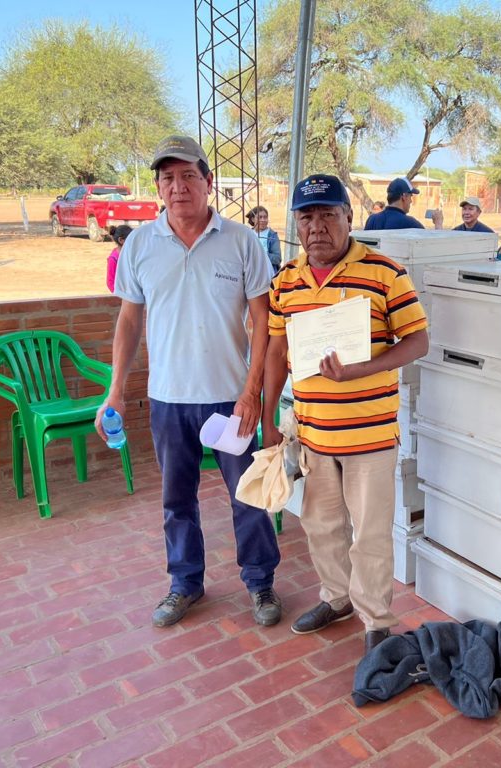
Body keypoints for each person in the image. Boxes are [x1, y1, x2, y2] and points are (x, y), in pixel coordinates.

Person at [96, 135, 282, 629]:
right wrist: (115, 389)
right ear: (158, 186)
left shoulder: (242, 240)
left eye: (188, 177)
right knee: (177, 500)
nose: (178, 187)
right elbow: (129, 323)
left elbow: (262, 323)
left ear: (208, 182)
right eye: (168, 178)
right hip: (168, 400)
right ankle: (185, 583)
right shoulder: (140, 244)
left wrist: (251, 392)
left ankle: (260, 582)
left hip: (229, 399)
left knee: (248, 494)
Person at [261, 174, 429, 656]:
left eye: (328, 215)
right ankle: (335, 599)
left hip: (370, 436)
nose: (317, 227)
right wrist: (270, 419)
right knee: (320, 526)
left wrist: (364, 369)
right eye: (306, 217)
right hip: (313, 434)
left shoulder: (384, 273)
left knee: (371, 535)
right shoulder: (287, 281)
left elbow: (418, 340)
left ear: (348, 218)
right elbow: (276, 350)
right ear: (296, 223)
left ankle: (376, 620)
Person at [364, 178, 443, 230]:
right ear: (404, 197)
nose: (411, 201)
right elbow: (435, 248)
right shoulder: (411, 224)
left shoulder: (372, 220)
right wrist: (438, 223)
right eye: (410, 196)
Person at [247, 205, 282, 272]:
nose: (263, 220)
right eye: (259, 217)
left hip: (267, 273)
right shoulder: (248, 234)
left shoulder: (272, 235)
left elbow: (277, 259)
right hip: (250, 272)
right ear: (253, 219)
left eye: (265, 217)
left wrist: (260, 254)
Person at [106, 225, 132, 292]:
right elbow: (110, 282)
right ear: (121, 240)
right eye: (131, 239)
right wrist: (119, 295)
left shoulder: (131, 254)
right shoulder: (113, 259)